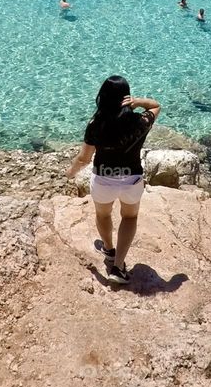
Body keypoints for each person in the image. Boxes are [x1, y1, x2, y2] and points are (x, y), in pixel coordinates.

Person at [66, 76, 161, 285]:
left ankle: (109, 250)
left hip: (103, 180)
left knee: (103, 214)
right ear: (125, 98)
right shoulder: (139, 121)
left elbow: (84, 158)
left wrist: (71, 172)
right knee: (129, 218)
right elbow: (156, 106)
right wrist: (138, 102)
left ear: (102, 97)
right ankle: (118, 266)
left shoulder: (96, 123)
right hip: (132, 180)